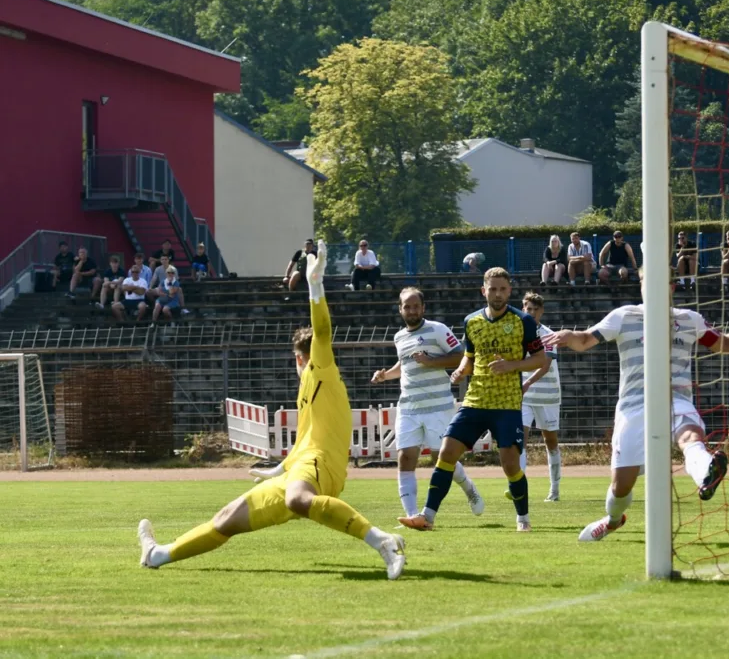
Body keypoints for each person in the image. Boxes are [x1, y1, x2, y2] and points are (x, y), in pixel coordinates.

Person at [138, 240, 406, 580]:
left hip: (319, 465)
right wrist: (280, 467)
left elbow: (322, 331)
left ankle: (381, 541)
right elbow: (306, 439)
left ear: (298, 358)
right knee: (226, 519)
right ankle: (157, 554)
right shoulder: (307, 391)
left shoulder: (319, 369)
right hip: (301, 467)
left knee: (297, 500)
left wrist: (315, 284)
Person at [543, 266, 729, 542]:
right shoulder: (624, 316)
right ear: (641, 285)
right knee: (621, 488)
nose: (654, 286)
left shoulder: (689, 319)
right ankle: (612, 520)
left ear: (671, 287)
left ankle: (707, 472)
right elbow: (585, 340)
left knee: (691, 436)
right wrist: (567, 335)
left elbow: (724, 344)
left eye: (662, 282)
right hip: (634, 407)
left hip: (675, 399)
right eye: (648, 281)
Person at [399, 267, 547, 533]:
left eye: (503, 289)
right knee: (445, 453)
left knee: (510, 465)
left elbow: (541, 360)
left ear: (509, 291)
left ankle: (523, 519)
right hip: (475, 401)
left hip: (507, 405)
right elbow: (469, 355)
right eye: (493, 289)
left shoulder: (523, 321)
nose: (498, 294)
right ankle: (427, 517)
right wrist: (461, 370)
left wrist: (512, 365)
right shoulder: (472, 321)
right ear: (484, 290)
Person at [371, 287, 485, 518]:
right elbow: (404, 366)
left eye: (415, 306)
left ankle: (469, 488)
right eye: (407, 306)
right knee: (405, 457)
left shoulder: (438, 330)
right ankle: (413, 515)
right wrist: (385, 375)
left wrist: (431, 361)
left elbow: (462, 355)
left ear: (423, 308)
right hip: (408, 407)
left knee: (441, 458)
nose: (411, 310)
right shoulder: (399, 337)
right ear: (400, 309)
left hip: (438, 406)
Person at [518, 293, 563, 502]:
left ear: (542, 311)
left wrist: (526, 383)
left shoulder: (549, 335)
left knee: (550, 442)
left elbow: (545, 365)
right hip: (524, 396)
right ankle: (520, 489)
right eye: (529, 309)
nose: (532, 312)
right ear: (523, 309)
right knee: (520, 440)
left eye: (536, 309)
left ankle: (554, 490)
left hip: (548, 396)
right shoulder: (516, 333)